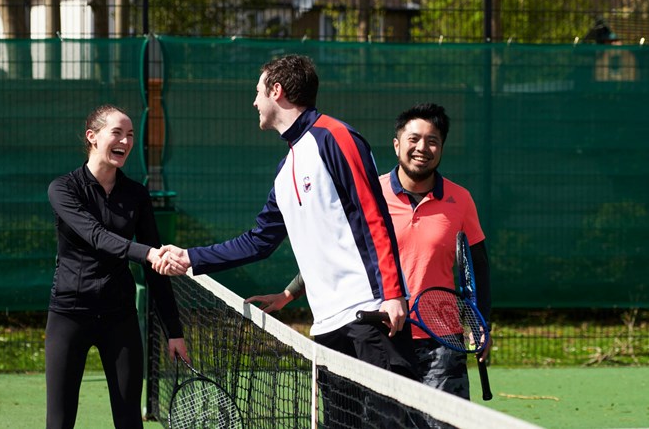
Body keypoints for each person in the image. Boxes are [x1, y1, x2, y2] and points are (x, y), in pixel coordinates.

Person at [154, 54, 419, 382]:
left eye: (258, 92)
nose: (254, 102)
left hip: (370, 313)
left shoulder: (335, 137)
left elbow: (373, 217)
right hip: (326, 328)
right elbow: (259, 241)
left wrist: (392, 294)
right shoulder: (285, 171)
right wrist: (189, 257)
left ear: (276, 91)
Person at [246, 103, 492, 400]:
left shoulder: (461, 200)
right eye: (413, 139)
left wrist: (481, 324)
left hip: (441, 340)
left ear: (441, 148)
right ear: (397, 144)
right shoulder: (371, 192)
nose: (422, 148)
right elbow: (338, 253)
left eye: (432, 141)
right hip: (382, 335)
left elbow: (478, 265)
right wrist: (288, 294)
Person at [45, 104, 188, 429]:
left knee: (128, 421)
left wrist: (174, 331)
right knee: (59, 421)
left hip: (119, 319)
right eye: (117, 132)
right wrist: (148, 253)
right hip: (69, 316)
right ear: (92, 137)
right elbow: (95, 236)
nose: (125, 140)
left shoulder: (136, 194)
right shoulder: (63, 189)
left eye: (131, 135)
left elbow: (157, 270)